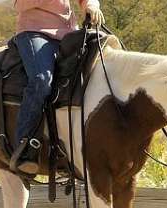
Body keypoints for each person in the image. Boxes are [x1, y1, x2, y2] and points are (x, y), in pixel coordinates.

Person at [10, 0, 105, 174]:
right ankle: (24, 146)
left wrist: (91, 6)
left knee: (100, 73)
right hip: (34, 32)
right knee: (41, 80)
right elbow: (18, 5)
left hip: (69, 34)